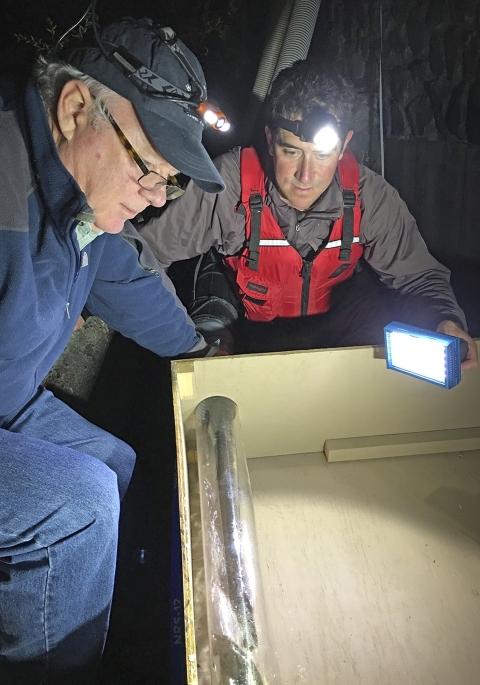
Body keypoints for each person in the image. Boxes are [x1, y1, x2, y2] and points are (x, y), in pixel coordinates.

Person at [0, 17, 226, 684]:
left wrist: (200, 356)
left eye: (168, 182)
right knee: (81, 502)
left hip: (9, 400)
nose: (155, 197)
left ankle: (111, 624)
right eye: (147, 168)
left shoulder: (78, 198)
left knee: (114, 460)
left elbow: (125, 275)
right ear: (75, 108)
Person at [139, 62, 478, 368]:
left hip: (337, 328)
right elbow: (146, 255)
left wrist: (443, 318)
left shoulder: (367, 195)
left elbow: (417, 275)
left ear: (344, 146)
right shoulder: (230, 184)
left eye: (322, 155)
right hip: (250, 330)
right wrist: (184, 338)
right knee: (209, 364)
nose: (306, 174)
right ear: (270, 139)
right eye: (292, 152)